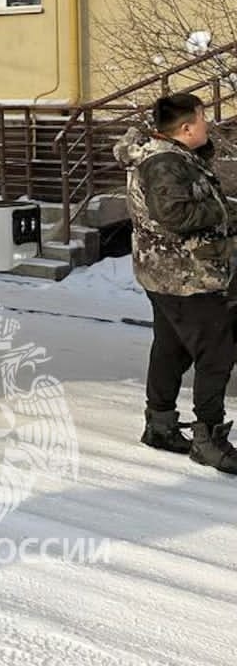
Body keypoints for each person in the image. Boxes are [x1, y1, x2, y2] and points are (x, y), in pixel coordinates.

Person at [114, 93, 237, 473]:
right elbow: (175, 214)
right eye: (202, 120)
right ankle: (209, 439)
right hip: (189, 276)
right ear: (185, 128)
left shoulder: (167, 155)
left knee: (171, 347)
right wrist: (227, 210)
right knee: (217, 353)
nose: (208, 125)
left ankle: (161, 424)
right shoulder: (165, 162)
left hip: (165, 271)